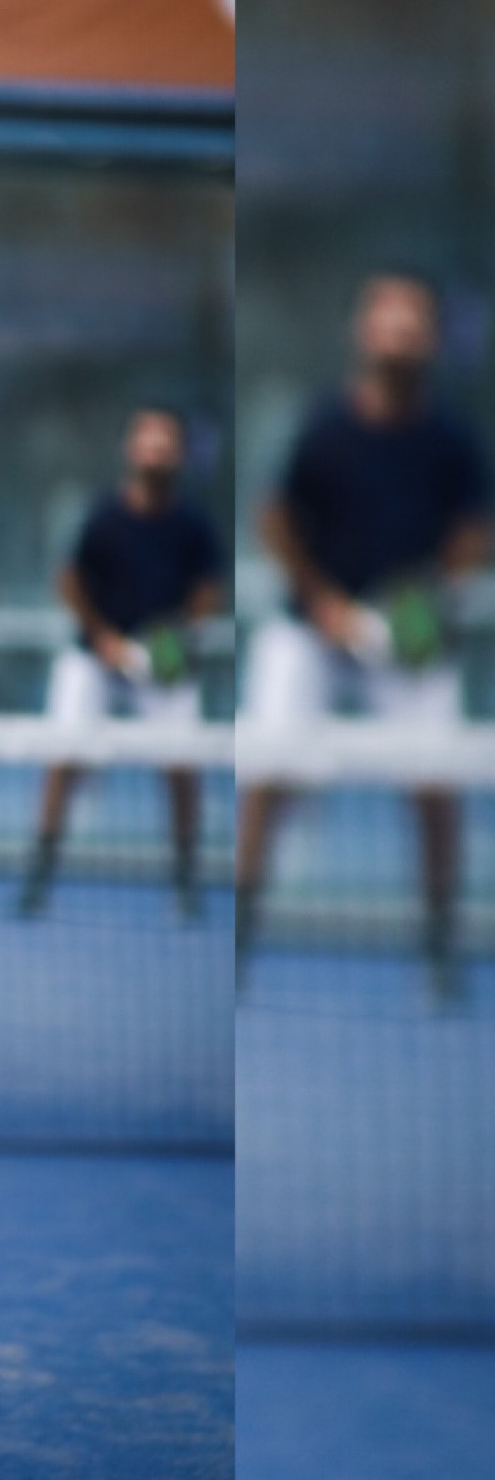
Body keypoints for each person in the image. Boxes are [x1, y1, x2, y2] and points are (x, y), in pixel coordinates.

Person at [238, 272, 492, 992]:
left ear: (431, 341)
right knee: (266, 777)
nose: (398, 337)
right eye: (388, 322)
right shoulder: (322, 428)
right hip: (311, 632)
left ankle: (439, 946)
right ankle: (241, 935)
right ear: (364, 333)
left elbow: (473, 533)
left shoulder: (452, 440)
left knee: (437, 785)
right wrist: (327, 607)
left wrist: (423, 603)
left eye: (413, 325)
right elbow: (275, 520)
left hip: (409, 640)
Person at [19, 406, 226, 920]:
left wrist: (175, 639)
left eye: (165, 443)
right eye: (147, 441)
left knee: (182, 764)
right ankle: (40, 875)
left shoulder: (193, 525)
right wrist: (104, 640)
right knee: (64, 758)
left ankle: (186, 878)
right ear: (131, 451)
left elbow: (208, 591)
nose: (155, 452)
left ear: (179, 455)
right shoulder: (102, 516)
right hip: (94, 658)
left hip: (164, 666)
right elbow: (69, 580)